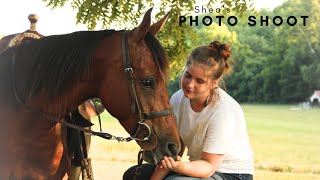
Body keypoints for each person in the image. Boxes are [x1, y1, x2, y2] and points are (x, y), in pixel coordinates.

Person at [123, 41, 254, 180]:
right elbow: (172, 153)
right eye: (188, 75)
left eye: (200, 81)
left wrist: (178, 166)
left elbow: (209, 166)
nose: (190, 85)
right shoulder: (178, 99)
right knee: (134, 175)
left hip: (231, 174)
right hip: (198, 169)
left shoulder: (223, 111)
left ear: (214, 83)